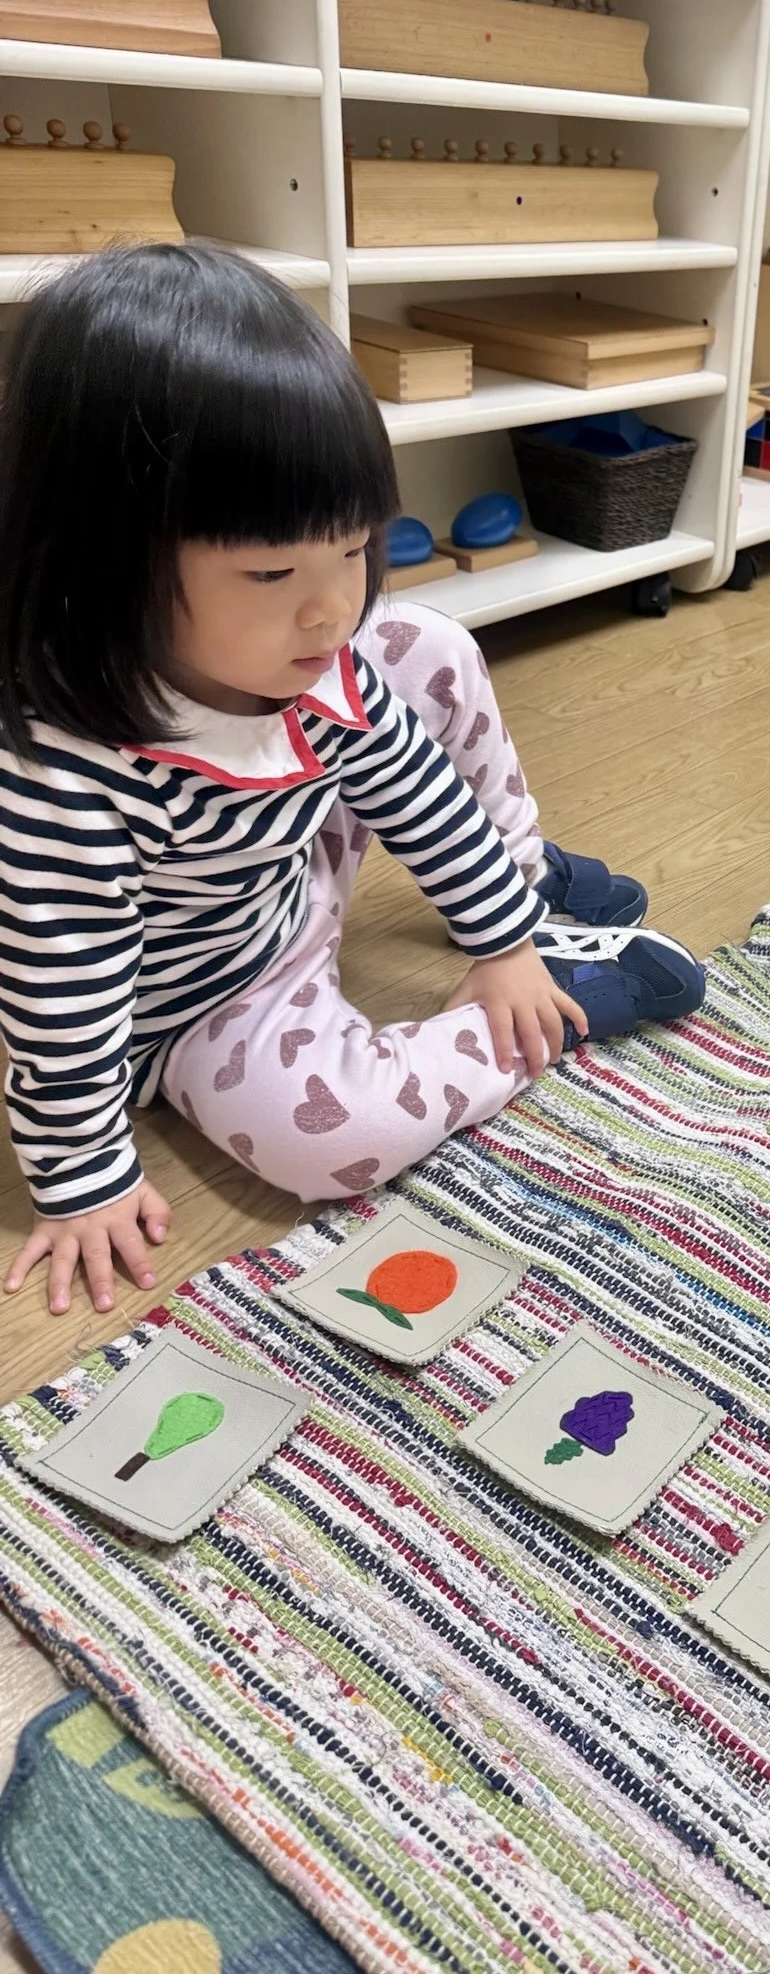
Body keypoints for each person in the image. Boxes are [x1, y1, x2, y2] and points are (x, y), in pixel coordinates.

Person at [0, 244, 706, 1317]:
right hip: (190, 1001)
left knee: (424, 641)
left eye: (354, 549)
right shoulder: (61, 778)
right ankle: (570, 1002)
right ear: (105, 560)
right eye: (275, 572)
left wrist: (499, 937)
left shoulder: (316, 657)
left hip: (279, 866)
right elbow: (62, 995)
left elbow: (411, 781)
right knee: (334, 1137)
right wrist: (82, 1177)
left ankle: (528, 884)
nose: (330, 608)